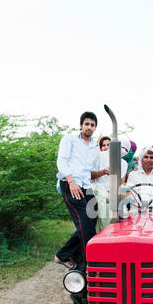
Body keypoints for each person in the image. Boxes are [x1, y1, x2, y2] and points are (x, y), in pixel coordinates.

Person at [55, 111, 99, 268]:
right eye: (86, 124)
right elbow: (61, 161)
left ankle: (63, 255)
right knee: (84, 225)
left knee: (93, 218)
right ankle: (92, 266)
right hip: (70, 183)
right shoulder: (70, 139)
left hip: (86, 185)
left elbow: (90, 169)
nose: (89, 127)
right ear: (81, 125)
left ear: (95, 128)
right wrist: (71, 181)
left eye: (92, 125)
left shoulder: (95, 145)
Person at [92, 138, 130, 231]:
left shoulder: (124, 163)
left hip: (114, 194)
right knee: (103, 221)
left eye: (125, 149)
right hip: (97, 191)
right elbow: (89, 175)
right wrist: (103, 172)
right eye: (121, 147)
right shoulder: (99, 156)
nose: (122, 150)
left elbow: (120, 183)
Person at [127, 147, 153, 213]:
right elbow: (130, 193)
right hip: (135, 210)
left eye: (151, 157)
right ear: (141, 159)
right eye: (146, 157)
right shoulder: (133, 175)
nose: (148, 160)